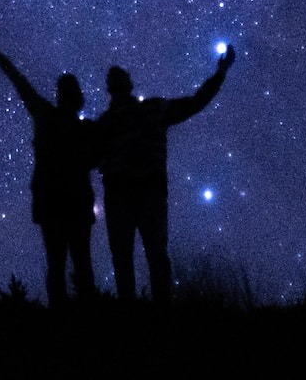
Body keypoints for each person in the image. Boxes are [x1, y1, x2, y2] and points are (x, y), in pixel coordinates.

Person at [97, 43, 236, 302]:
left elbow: (195, 102)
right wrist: (220, 73)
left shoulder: (118, 119)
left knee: (137, 257)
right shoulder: (131, 116)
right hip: (138, 194)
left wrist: (220, 73)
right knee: (147, 256)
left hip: (133, 195)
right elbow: (195, 102)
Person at [0, 25, 101, 304]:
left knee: (60, 266)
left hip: (55, 202)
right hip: (69, 202)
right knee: (78, 265)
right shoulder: (82, 128)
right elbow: (17, 78)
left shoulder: (50, 117)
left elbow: (17, 79)